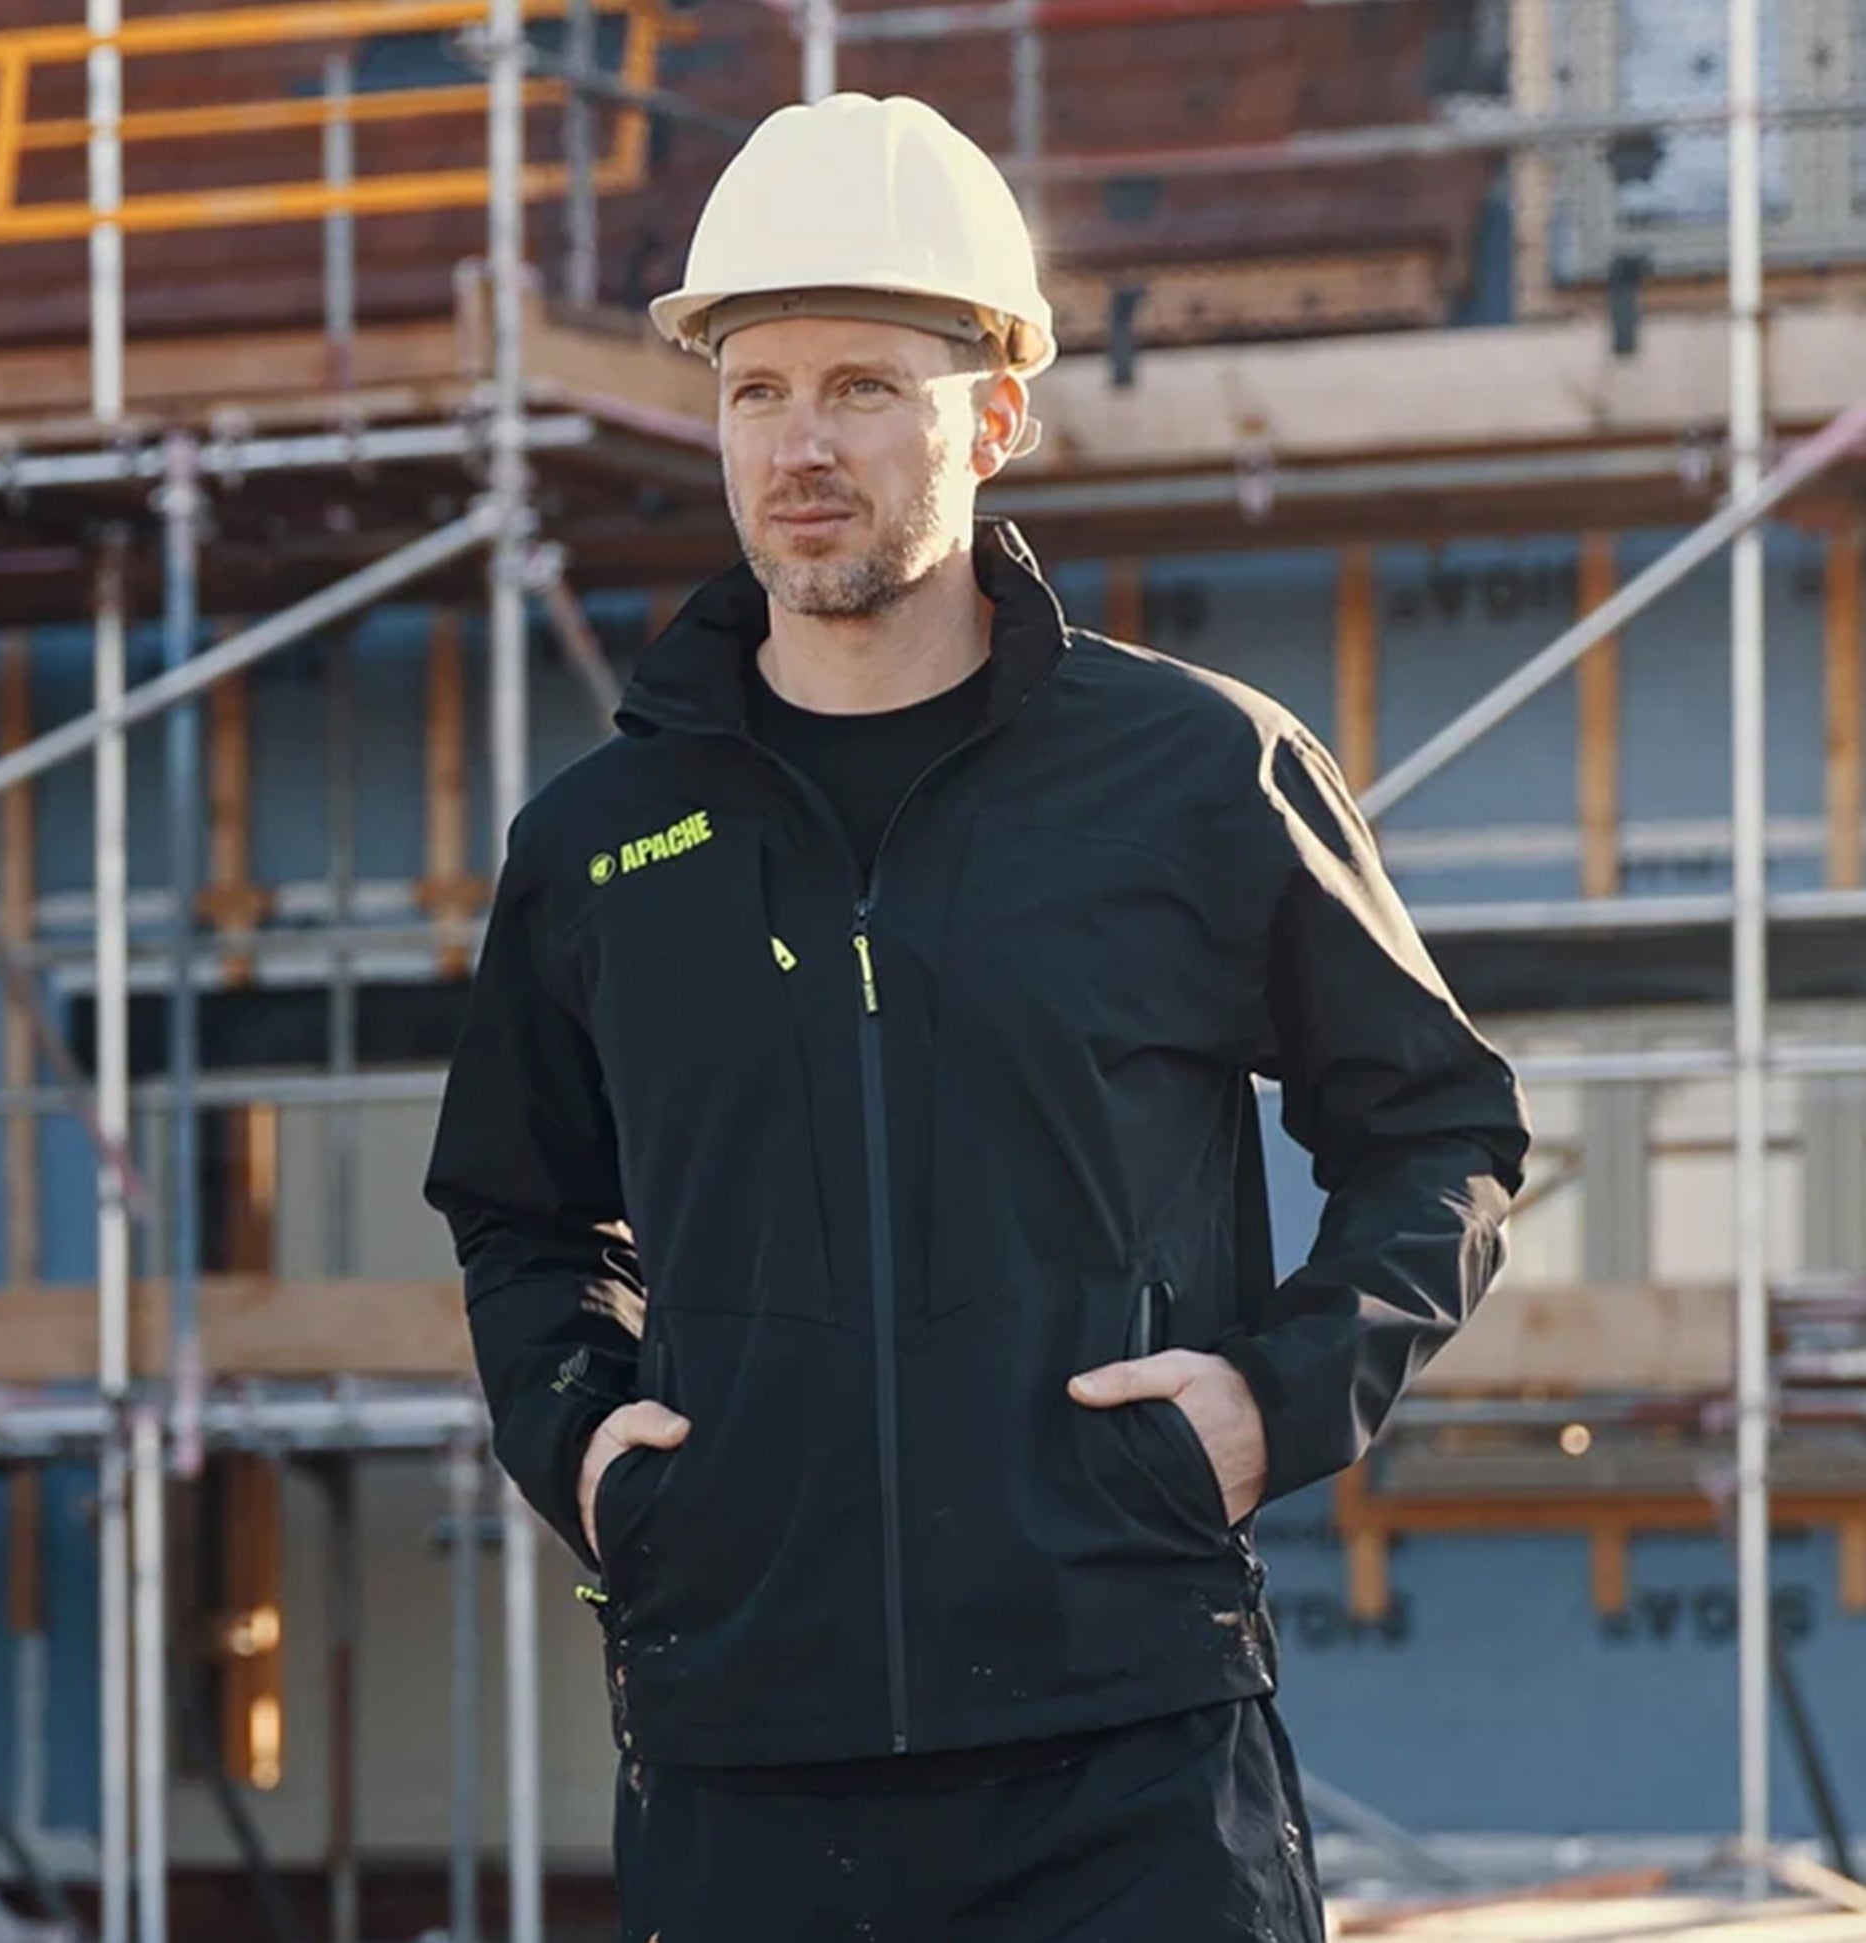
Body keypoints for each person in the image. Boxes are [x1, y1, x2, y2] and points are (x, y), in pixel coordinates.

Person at [425, 91, 1530, 1943]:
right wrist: (589, 1452)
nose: (799, 444)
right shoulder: (605, 842)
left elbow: (1441, 1133)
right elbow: (521, 1214)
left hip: (1129, 1764)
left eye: (862, 385)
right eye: (755, 388)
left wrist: (1269, 1404)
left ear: (994, 415)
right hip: (741, 1764)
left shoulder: (1197, 776)